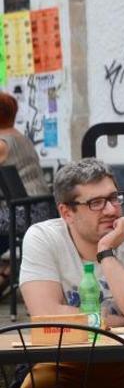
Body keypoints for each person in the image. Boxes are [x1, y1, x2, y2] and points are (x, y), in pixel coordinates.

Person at [17, 158, 124, 388]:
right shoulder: (43, 238)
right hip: (67, 362)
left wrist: (106, 253)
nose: (112, 210)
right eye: (96, 203)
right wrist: (121, 321)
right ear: (66, 212)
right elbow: (46, 316)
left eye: (114, 198)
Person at [0, 92, 53, 293]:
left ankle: (8, 269)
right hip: (39, 208)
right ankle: (7, 269)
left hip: (23, 211)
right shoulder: (22, 138)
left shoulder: (2, 143)